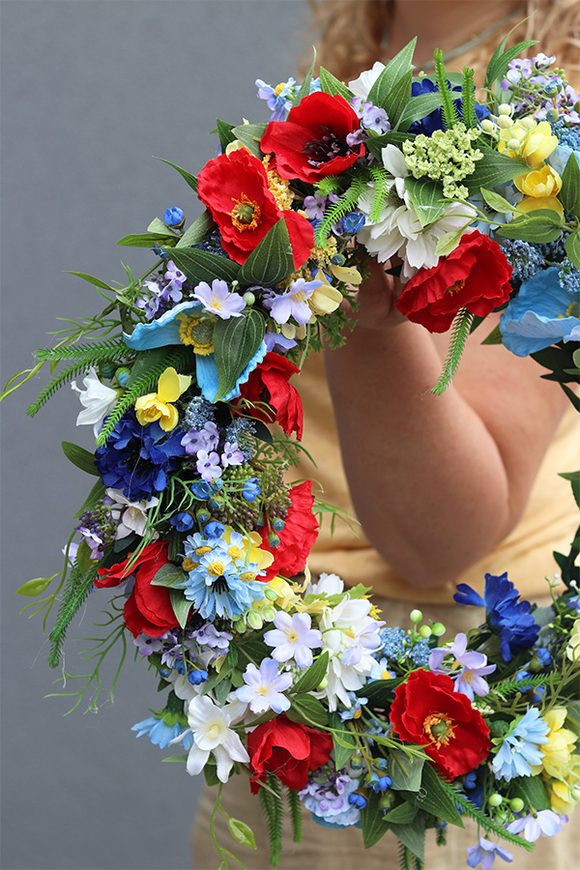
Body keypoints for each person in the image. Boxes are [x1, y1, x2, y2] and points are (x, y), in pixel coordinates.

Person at [193, 2, 580, 867]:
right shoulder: (366, 57)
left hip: (438, 717)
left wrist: (363, 317)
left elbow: (441, 537)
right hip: (287, 685)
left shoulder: (554, 118)